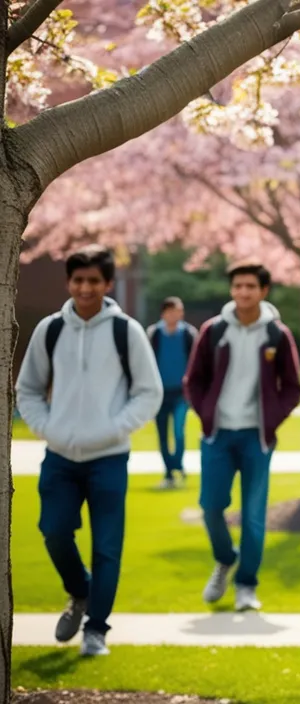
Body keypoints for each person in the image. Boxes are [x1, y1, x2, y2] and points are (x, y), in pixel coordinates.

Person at [15, 245, 163, 656]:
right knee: (54, 531)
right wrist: (47, 428)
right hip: (60, 456)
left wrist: (114, 429)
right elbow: (27, 388)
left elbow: (148, 393)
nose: (85, 288)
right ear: (69, 282)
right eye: (78, 280)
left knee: (107, 546)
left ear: (108, 284)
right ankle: (79, 593)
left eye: (94, 281)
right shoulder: (51, 329)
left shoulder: (125, 330)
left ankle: (96, 629)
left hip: (109, 458)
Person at [184, 261, 300, 612]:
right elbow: (194, 380)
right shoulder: (214, 330)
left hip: (256, 439)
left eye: (250, 286)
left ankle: (246, 585)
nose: (243, 292)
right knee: (210, 507)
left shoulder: (277, 335)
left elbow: (292, 388)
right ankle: (225, 558)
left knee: (252, 513)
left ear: (263, 291)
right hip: (218, 436)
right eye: (237, 286)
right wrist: (207, 414)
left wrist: (272, 419)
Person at [148, 296, 198, 489]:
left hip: (181, 393)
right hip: (159, 393)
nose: (176, 314)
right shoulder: (154, 334)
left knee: (178, 431)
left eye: (179, 310)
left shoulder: (188, 334)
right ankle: (169, 472)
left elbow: (195, 364)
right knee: (162, 434)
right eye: (172, 311)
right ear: (164, 313)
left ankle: (177, 463)